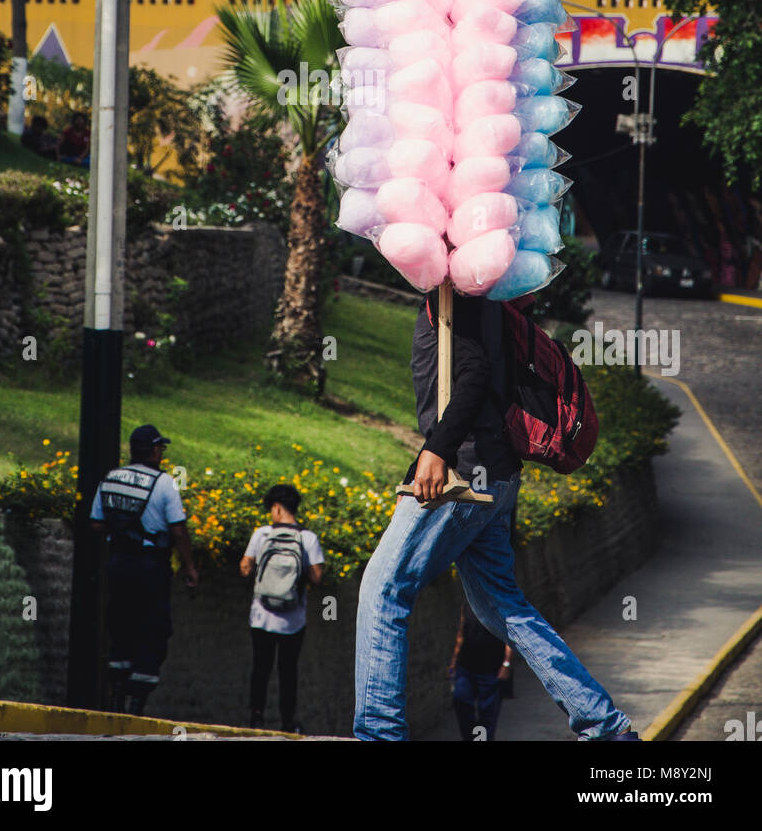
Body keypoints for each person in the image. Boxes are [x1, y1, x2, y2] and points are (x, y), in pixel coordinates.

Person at [353, 289, 641, 742]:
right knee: (501, 607)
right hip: (497, 476)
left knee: (383, 591)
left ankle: (379, 733)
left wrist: (435, 450)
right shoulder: (482, 299)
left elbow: (473, 375)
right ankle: (603, 726)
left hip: (463, 474)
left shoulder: (458, 296)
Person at [90, 423, 198, 715]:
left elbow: (96, 523)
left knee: (121, 624)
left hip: (118, 564)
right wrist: (189, 567)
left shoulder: (110, 478)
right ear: (152, 450)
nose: (161, 452)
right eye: (160, 447)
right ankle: (136, 704)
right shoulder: (164, 483)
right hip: (150, 566)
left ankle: (116, 698)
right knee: (153, 628)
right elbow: (178, 531)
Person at [240, 484, 324, 733]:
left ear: (276, 508)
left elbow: (245, 568)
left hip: (261, 616)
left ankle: (256, 718)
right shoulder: (308, 538)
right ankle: (288, 722)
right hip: (293, 619)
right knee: (288, 670)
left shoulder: (261, 534)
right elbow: (317, 577)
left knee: (261, 667)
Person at [448, 600, 514, 741]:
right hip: (465, 668)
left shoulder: (499, 605)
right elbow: (461, 635)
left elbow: (510, 637)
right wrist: (454, 662)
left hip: (491, 671)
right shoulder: (466, 605)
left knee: (487, 717)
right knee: (461, 700)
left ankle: (481, 738)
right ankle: (470, 737)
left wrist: (506, 664)